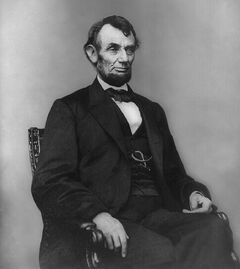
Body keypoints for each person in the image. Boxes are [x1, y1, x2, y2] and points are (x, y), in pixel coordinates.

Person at [32, 15, 239, 269]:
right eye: (113, 49)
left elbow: (174, 174)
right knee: (159, 252)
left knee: (212, 229)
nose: (124, 58)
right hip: (109, 218)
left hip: (156, 215)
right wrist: (98, 215)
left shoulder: (152, 111)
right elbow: (50, 181)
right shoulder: (70, 108)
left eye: (129, 49)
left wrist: (193, 194)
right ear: (92, 53)